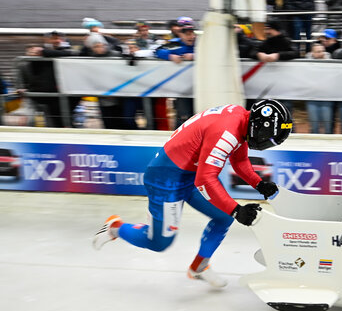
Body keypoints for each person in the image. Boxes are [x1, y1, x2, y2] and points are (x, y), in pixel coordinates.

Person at [93, 101, 292, 288]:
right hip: (166, 179)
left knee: (223, 217)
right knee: (159, 242)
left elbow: (239, 161)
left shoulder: (242, 120)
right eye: (268, 139)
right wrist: (236, 210)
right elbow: (205, 180)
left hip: (188, 174)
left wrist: (258, 184)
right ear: (259, 126)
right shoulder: (227, 132)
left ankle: (199, 267)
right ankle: (115, 227)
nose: (266, 143)